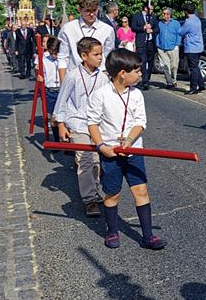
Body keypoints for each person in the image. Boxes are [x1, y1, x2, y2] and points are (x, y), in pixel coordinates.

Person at [87, 48, 167, 250]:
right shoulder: (100, 95)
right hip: (111, 153)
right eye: (137, 71)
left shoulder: (137, 95)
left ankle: (148, 236)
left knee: (141, 191)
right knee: (112, 193)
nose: (141, 74)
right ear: (123, 73)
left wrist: (130, 140)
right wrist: (102, 147)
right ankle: (112, 231)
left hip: (134, 152)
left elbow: (140, 121)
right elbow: (93, 123)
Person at [54, 37, 108, 218]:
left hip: (97, 125)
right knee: (85, 161)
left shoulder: (103, 77)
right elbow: (61, 101)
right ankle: (89, 200)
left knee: (96, 160)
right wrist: (61, 125)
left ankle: (94, 190)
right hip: (78, 123)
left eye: (101, 54)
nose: (101, 57)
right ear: (84, 56)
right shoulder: (72, 76)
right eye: (97, 54)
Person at [57, 0, 115, 82]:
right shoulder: (68, 29)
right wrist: (63, 85)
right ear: (79, 9)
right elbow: (63, 58)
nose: (91, 14)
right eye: (87, 11)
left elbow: (109, 57)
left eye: (94, 10)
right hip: (75, 78)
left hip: (100, 78)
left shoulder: (107, 30)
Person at [36, 35, 62, 142]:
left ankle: (66, 142)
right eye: (52, 53)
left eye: (56, 53)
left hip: (61, 90)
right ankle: (56, 142)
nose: (54, 55)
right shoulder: (44, 59)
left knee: (64, 118)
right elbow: (38, 70)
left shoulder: (63, 60)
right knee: (53, 118)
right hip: (50, 91)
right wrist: (38, 75)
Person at [131, 4, 159, 90]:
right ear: (146, 8)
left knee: (150, 61)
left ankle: (148, 78)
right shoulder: (137, 16)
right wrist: (143, 28)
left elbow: (157, 29)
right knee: (143, 61)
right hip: (141, 43)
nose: (152, 11)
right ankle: (145, 81)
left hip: (150, 43)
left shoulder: (153, 17)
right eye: (151, 9)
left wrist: (152, 30)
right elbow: (133, 28)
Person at [180, 3, 206, 95]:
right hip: (198, 47)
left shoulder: (188, 22)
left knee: (193, 69)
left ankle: (193, 88)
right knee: (196, 66)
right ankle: (201, 85)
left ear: (186, 12)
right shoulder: (197, 19)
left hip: (191, 48)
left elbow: (181, 32)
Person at [156, 7, 182, 89]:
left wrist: (177, 45)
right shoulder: (159, 23)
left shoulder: (176, 23)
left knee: (174, 66)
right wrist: (157, 44)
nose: (163, 15)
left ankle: (174, 80)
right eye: (163, 13)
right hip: (162, 48)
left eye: (165, 13)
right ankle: (169, 82)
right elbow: (157, 34)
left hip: (173, 48)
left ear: (169, 15)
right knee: (165, 66)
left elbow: (179, 34)